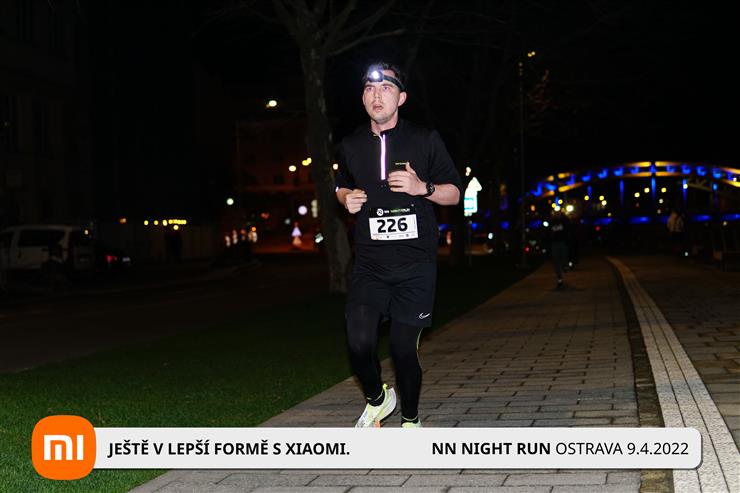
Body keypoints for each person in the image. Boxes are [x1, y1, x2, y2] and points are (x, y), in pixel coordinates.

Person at [335, 62, 462, 428]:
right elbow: (340, 184)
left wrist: (423, 187)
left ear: (401, 98)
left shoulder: (424, 139)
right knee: (358, 344)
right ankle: (378, 400)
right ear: (363, 98)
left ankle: (411, 421)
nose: (377, 95)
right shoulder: (350, 144)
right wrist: (345, 198)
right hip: (370, 265)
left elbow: (454, 193)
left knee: (403, 350)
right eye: (369, 89)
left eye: (386, 88)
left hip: (415, 266)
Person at [546, 210, 571, 288]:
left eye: (559, 213)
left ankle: (565, 266)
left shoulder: (564, 221)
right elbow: (547, 232)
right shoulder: (551, 222)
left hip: (563, 243)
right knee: (556, 261)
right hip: (554, 244)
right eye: (556, 213)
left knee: (564, 258)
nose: (557, 214)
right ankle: (559, 278)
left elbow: (569, 229)